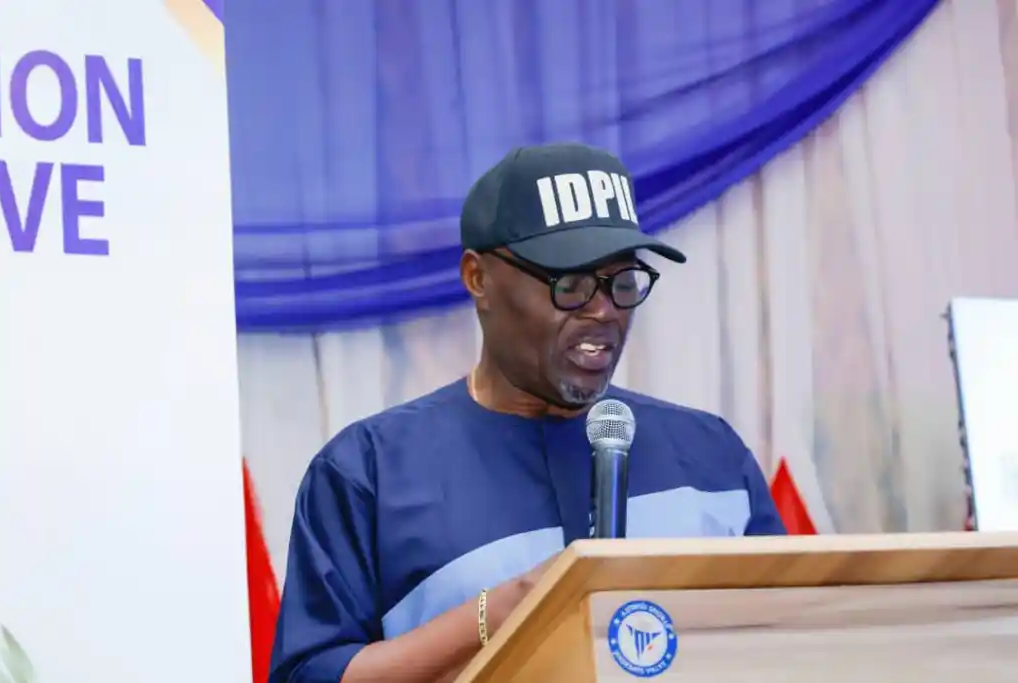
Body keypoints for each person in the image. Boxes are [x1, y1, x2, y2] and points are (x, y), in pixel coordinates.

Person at [269, 142, 787, 683]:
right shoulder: (368, 472)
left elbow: (797, 637)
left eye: (622, 282)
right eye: (571, 284)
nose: (604, 310)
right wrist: (501, 611)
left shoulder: (711, 456)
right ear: (478, 278)